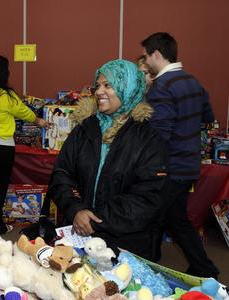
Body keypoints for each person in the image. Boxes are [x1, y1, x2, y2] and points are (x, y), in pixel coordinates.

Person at [47, 59, 168, 261]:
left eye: (108, 85)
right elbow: (62, 174)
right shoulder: (85, 129)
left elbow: (147, 197)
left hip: (127, 246)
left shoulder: (148, 139)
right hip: (78, 237)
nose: (99, 91)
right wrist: (76, 209)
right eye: (98, 85)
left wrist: (95, 220)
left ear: (128, 88)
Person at [141, 32, 219, 278]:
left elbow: (160, 133)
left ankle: (146, 268)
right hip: (189, 165)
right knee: (176, 220)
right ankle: (204, 268)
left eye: (145, 55)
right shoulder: (193, 81)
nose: (145, 61)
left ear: (156, 54)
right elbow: (208, 117)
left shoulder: (163, 85)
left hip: (170, 166)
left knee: (149, 217)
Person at [0, 55, 50, 236]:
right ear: (2, 73)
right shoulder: (7, 96)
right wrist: (41, 122)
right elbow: (26, 113)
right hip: (1, 147)